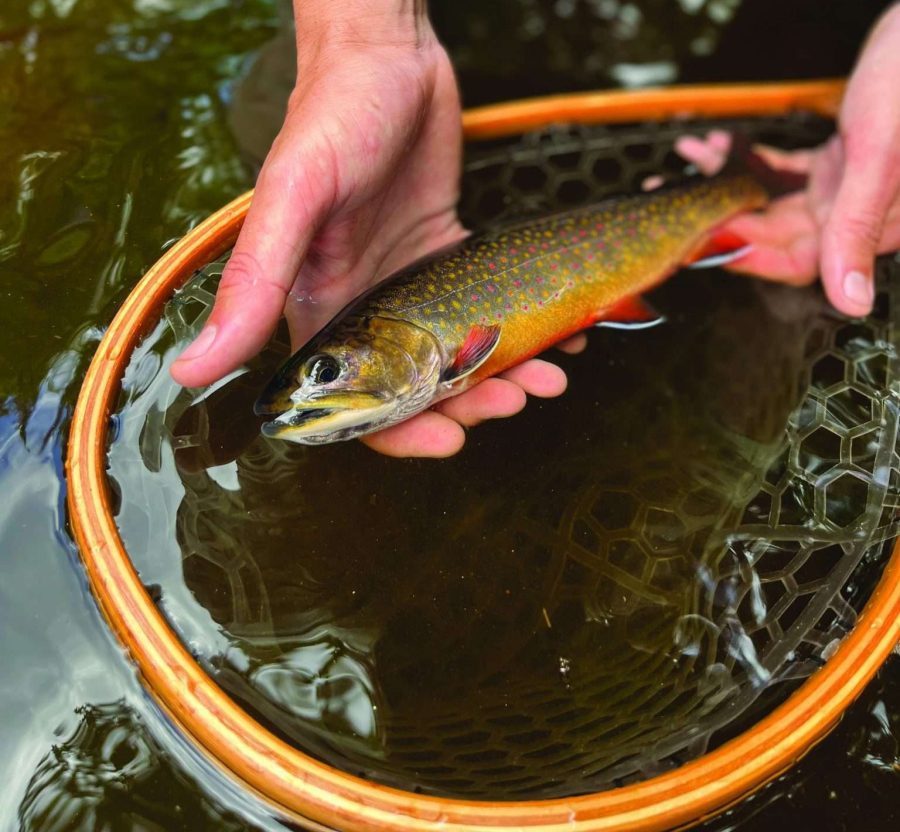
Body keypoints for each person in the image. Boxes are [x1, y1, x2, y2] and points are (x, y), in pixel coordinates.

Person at [171, 0, 900, 457]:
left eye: (326, 371)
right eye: (323, 376)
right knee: (270, 112)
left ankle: (742, 184)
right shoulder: (439, 354)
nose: (319, 387)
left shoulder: (459, 354)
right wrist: (364, 41)